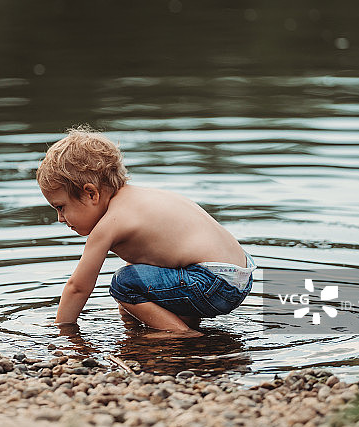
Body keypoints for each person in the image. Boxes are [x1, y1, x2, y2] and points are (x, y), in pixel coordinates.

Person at [36, 126, 255, 337]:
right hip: (240, 278)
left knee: (123, 283)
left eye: (61, 207)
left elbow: (78, 287)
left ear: (91, 194)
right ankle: (157, 334)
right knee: (134, 289)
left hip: (211, 282)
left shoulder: (109, 224)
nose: (60, 218)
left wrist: (61, 331)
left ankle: (180, 333)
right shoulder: (142, 198)